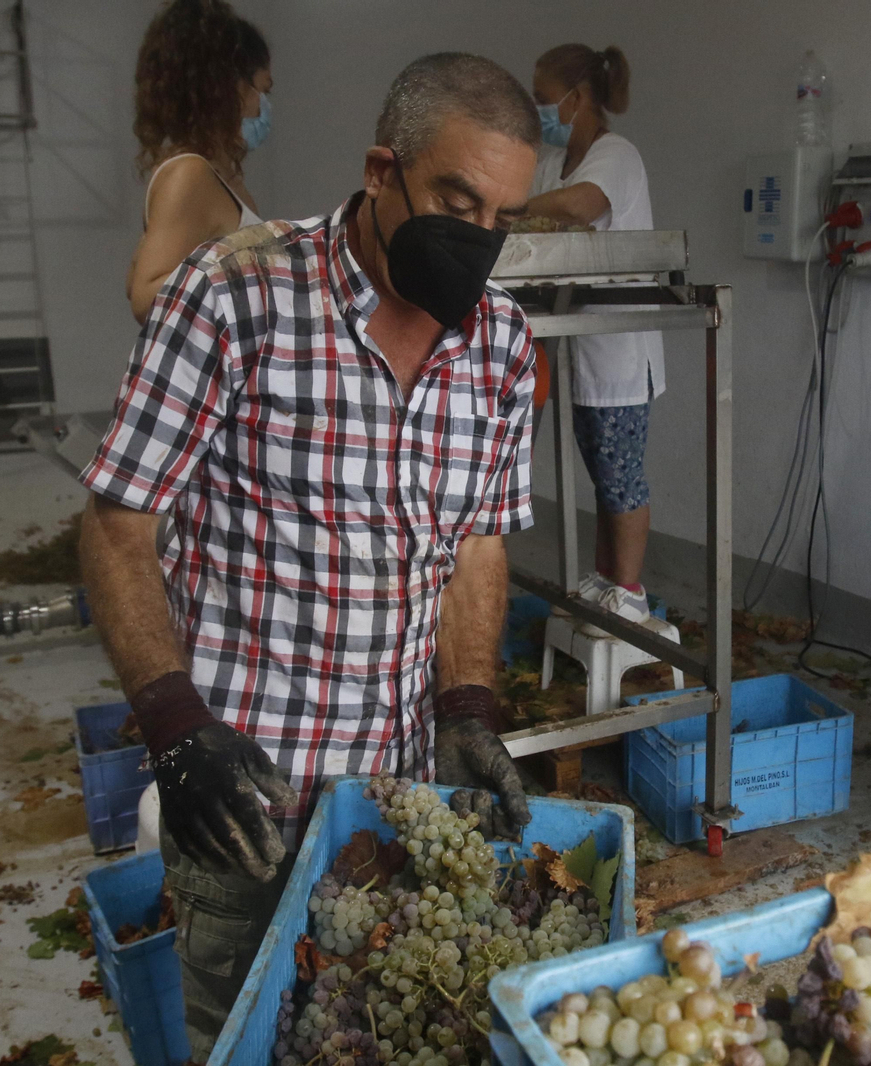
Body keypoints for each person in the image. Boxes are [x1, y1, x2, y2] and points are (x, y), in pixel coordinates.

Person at [78, 53, 541, 1058]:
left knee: (370, 1032)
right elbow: (119, 522)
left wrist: (464, 704)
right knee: (242, 1037)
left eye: (503, 220)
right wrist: (172, 723)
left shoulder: (500, 347)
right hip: (245, 799)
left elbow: (477, 539)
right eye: (458, 201)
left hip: (398, 803)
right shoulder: (235, 294)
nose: (478, 241)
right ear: (384, 170)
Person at [524, 44, 665, 629]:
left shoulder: (616, 155)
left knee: (620, 470)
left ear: (576, 98)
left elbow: (579, 207)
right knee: (597, 465)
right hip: (582, 340)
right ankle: (608, 578)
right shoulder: (554, 161)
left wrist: (512, 209)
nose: (540, 112)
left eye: (542, 100)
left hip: (620, 346)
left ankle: (629, 589)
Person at [126, 0, 271, 323]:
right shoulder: (188, 174)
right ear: (231, 89)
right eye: (263, 91)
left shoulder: (217, 175)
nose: (263, 108)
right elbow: (145, 295)